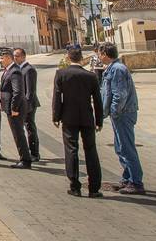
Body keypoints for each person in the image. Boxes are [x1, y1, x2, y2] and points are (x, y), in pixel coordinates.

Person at [53, 46, 104, 198]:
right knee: (91, 151)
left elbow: (57, 97)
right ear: (81, 58)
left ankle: (75, 186)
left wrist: (56, 116)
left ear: (68, 58)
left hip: (69, 117)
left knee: (71, 150)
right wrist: (99, 120)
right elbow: (97, 100)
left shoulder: (61, 74)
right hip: (87, 117)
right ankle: (94, 188)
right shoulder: (91, 76)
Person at [100, 42, 144, 194]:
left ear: (105, 54)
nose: (99, 57)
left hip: (123, 113)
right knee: (120, 147)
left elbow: (120, 95)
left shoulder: (117, 69)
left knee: (126, 147)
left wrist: (113, 111)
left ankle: (136, 182)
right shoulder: (114, 68)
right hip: (121, 113)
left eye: (100, 54)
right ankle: (128, 177)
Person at [0, 49, 31, 169]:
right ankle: (24, 158)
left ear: (8, 58)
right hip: (10, 107)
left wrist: (14, 108)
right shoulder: (8, 71)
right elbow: (6, 89)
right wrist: (1, 101)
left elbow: (17, 92)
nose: (1, 61)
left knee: (19, 134)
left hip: (15, 109)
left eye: (2, 58)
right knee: (17, 134)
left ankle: (25, 160)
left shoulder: (15, 72)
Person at [14, 48, 41, 162]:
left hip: (29, 105)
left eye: (17, 56)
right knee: (26, 128)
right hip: (22, 104)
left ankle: (35, 153)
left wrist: (26, 106)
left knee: (30, 128)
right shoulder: (18, 69)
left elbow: (30, 91)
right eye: (14, 56)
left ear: (23, 56)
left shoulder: (29, 69)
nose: (15, 58)